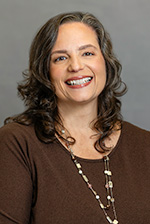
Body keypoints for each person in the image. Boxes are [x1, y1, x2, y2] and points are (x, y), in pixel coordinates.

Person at [0, 11, 150, 224]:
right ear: (45, 71)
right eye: (60, 58)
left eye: (87, 53)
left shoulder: (145, 144)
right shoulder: (17, 144)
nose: (76, 66)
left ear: (105, 62)